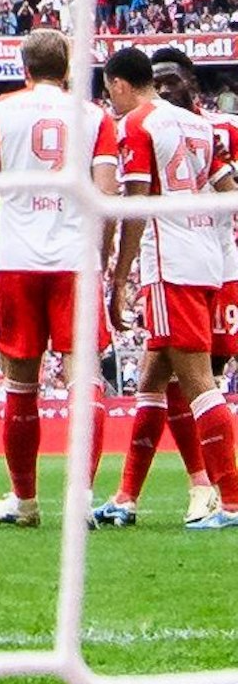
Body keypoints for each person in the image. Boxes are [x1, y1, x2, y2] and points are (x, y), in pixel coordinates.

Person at [0, 28, 120, 528]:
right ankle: (81, 496)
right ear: (67, 69)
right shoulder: (94, 116)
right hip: (76, 259)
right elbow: (108, 194)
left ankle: (25, 501)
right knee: (84, 379)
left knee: (20, 383)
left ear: (24, 69)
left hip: (18, 258)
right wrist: (103, 253)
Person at [94, 46, 238, 529]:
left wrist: (119, 277)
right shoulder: (201, 126)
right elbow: (228, 190)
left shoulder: (137, 124)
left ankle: (230, 500)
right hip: (210, 260)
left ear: (119, 84)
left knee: (198, 383)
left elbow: (134, 206)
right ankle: (126, 498)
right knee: (151, 379)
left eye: (110, 92)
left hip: (170, 264)